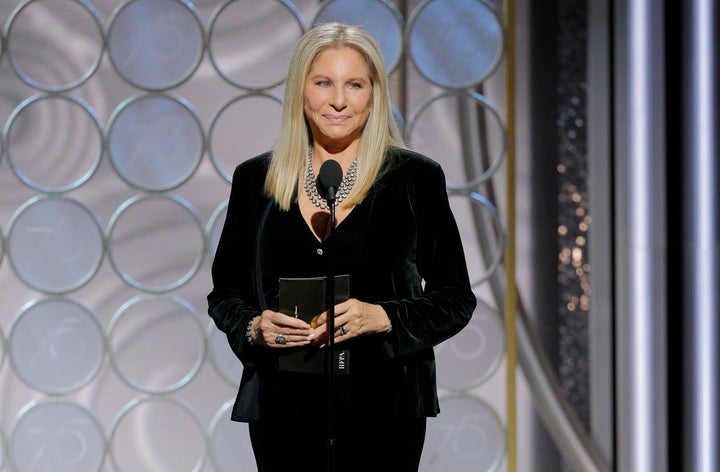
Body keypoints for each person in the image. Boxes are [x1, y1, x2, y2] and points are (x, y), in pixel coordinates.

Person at [207, 22, 476, 471]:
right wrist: (253, 327)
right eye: (324, 83)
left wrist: (385, 316)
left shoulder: (415, 179)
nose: (338, 100)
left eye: (354, 84)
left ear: (373, 96)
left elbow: (455, 298)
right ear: (301, 91)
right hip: (283, 413)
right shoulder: (255, 180)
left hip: (385, 412)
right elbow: (224, 295)